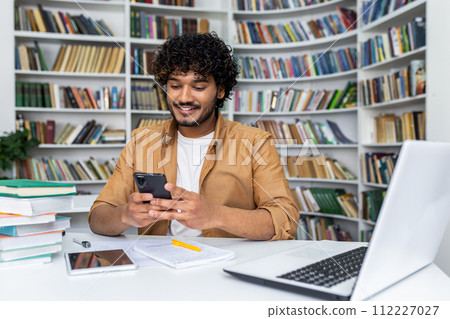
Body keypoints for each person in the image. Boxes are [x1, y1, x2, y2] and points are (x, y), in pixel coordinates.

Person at [88, 32, 299, 240]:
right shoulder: (141, 141)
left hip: (227, 266)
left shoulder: (256, 143)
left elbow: (285, 220)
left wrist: (215, 215)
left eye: (198, 87)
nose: (184, 97)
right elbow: (98, 217)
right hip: (159, 267)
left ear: (220, 91)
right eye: (175, 86)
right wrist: (125, 215)